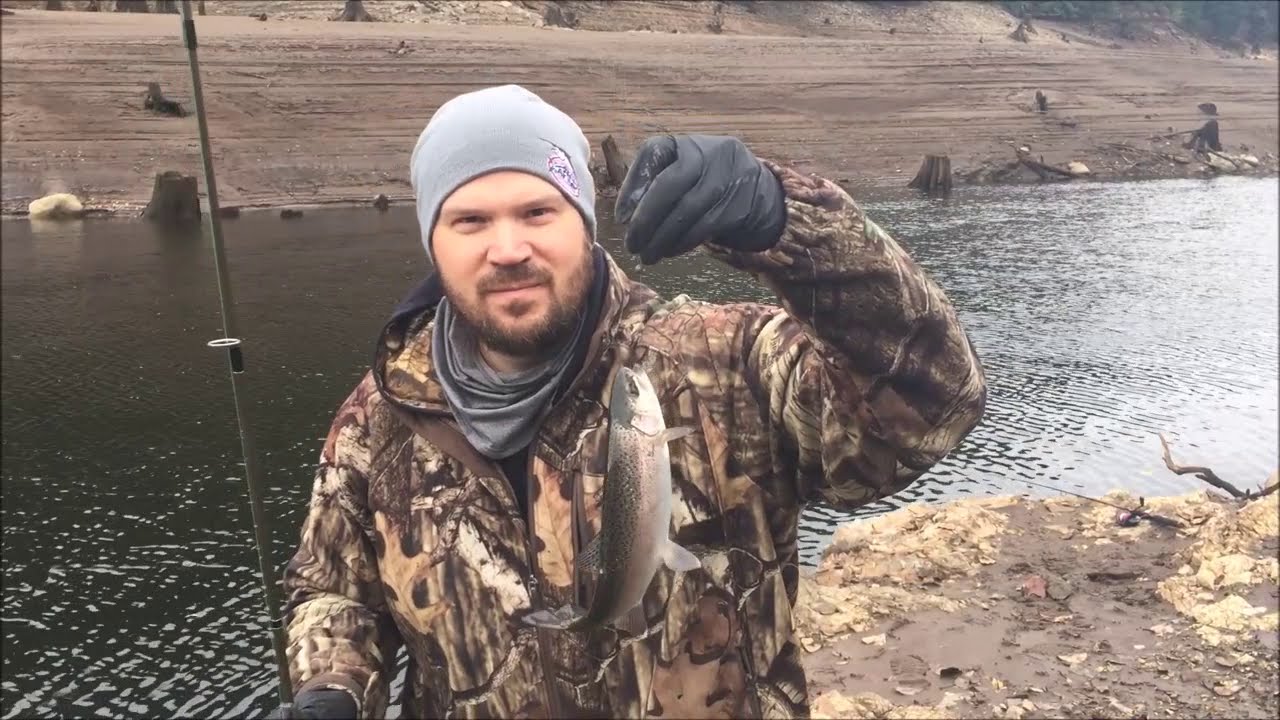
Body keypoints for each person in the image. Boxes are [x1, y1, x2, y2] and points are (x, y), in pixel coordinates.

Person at [277, 83, 987, 720]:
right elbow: (333, 590)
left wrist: (791, 222)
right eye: (469, 221)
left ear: (583, 220)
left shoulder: (721, 360)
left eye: (537, 211)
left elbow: (932, 406)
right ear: (433, 239)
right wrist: (330, 688)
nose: (508, 248)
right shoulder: (378, 417)